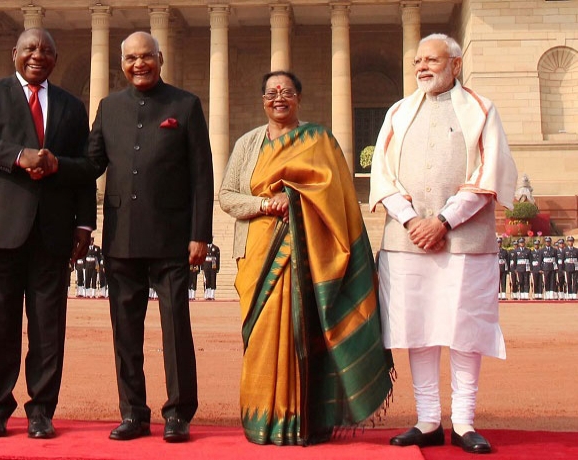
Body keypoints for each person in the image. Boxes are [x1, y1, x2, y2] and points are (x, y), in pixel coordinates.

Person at [220, 70, 393, 445]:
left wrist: (296, 197)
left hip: (309, 256)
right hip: (256, 256)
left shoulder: (319, 140)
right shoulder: (247, 144)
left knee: (305, 336)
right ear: (262, 100)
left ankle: (306, 421)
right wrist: (267, 202)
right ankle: (263, 420)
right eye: (270, 92)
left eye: (286, 91)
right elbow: (228, 196)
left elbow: (338, 196)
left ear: (298, 97)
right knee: (262, 337)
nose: (278, 98)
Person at [370, 34, 518, 454]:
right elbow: (382, 175)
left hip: (465, 238)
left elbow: (490, 171)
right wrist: (414, 219)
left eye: (431, 60)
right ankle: (428, 419)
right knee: (418, 328)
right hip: (407, 237)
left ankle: (465, 421)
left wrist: (443, 220)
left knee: (464, 328)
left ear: (455, 64)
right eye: (417, 60)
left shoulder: (482, 110)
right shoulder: (398, 112)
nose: (422, 67)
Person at [0, 27, 95, 439]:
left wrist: (85, 222)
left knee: (48, 326)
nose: (39, 55)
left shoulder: (72, 106)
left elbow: (84, 168)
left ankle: (42, 410)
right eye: (31, 48)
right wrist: (20, 156)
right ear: (13, 52)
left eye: (47, 50)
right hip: (0, 226)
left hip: (53, 228)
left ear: (55, 58)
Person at [77, 31, 213, 443]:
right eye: (132, 58)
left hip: (173, 237)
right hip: (122, 236)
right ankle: (133, 412)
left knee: (175, 329)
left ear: (160, 59)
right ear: (122, 64)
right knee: (125, 331)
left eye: (147, 57)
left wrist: (200, 233)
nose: (140, 64)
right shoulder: (109, 107)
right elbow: (90, 166)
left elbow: (201, 175)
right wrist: (55, 173)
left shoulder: (184, 105)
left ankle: (178, 413)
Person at [565, 236, 577, 300]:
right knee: (569, 281)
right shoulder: (565, 250)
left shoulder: (576, 250)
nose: (570, 242)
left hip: (575, 267)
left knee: (575, 281)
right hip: (568, 267)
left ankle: (574, 294)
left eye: (571, 241)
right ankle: (569, 294)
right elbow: (563, 259)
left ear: (573, 242)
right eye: (569, 241)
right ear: (567, 242)